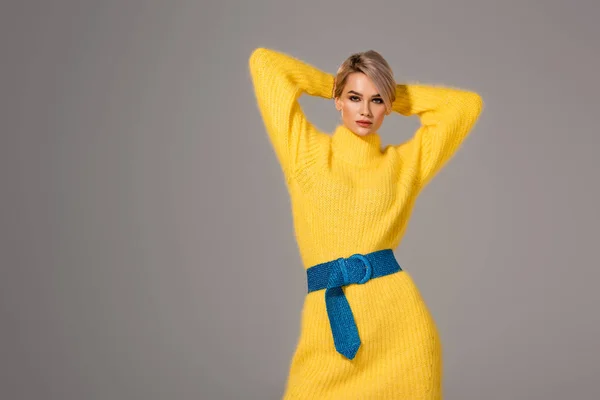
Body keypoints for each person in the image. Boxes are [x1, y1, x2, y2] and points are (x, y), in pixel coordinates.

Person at [248, 47, 482, 399]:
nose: (366, 110)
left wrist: (393, 93)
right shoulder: (306, 153)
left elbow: (464, 107)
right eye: (354, 97)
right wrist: (336, 81)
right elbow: (265, 65)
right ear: (339, 100)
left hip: (399, 333)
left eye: (377, 101)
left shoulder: (402, 166)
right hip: (328, 325)